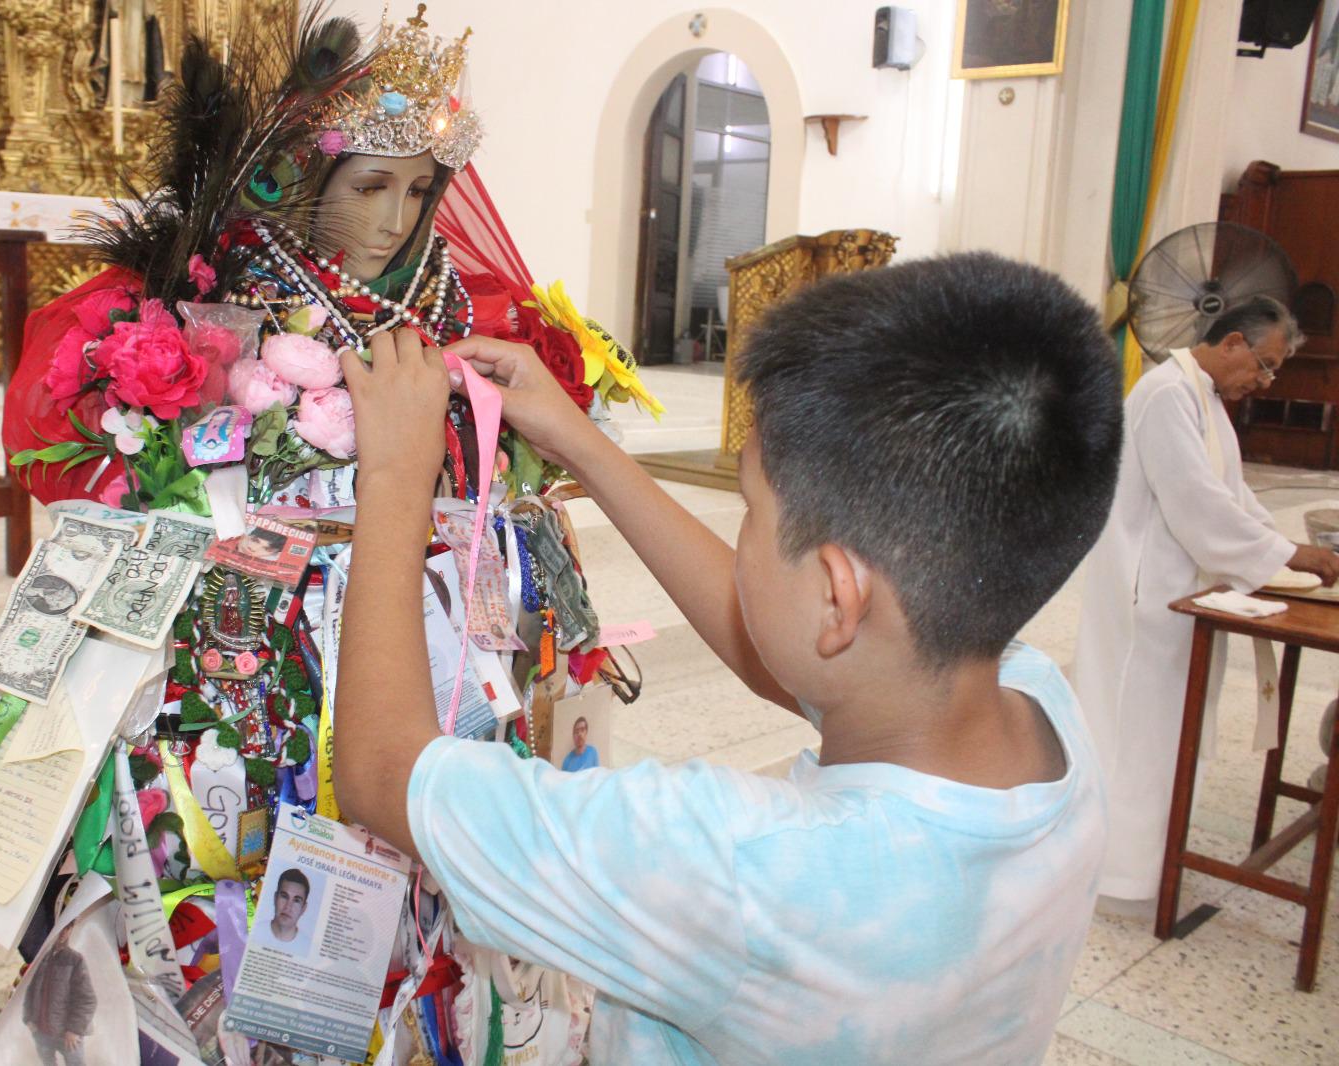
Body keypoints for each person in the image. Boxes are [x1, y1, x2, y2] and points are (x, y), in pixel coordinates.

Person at [334, 251, 1124, 1063]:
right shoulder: (1032, 701)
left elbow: (384, 772)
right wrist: (586, 447)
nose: (740, 535)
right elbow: (786, 658)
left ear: (837, 596)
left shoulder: (740, 870)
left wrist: (396, 475)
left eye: (748, 509)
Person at [1072, 297, 1339, 910]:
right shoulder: (1168, 394)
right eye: (1264, 365)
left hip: (1182, 591)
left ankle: (1149, 866)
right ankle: (1117, 875)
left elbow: (1233, 494)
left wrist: (1278, 548)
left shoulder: (1205, 398)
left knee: (1169, 735)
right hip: (1149, 598)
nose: (1264, 380)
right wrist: (1285, 554)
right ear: (1233, 343)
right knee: (1137, 735)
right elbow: (1196, 503)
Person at [21, 923, 96, 1066]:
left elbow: (87, 1000)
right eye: (60, 927)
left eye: (68, 928)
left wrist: (74, 1030)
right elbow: (29, 991)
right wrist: (28, 1019)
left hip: (67, 1035)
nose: (63, 933)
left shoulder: (75, 960)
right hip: (41, 1033)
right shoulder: (41, 958)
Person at [269, 868, 310, 943]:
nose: (288, 906)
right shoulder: (254, 931)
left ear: (303, 909)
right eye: (284, 896)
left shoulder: (306, 945)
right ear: (275, 898)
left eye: (296, 900)